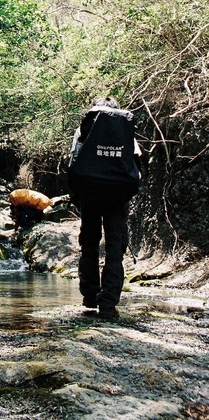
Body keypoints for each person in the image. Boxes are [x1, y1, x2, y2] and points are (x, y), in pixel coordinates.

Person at [68, 96, 141, 321]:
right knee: (114, 250)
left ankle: (90, 297)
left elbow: (73, 162)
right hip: (117, 198)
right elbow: (136, 164)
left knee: (89, 245)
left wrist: (77, 197)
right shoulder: (124, 130)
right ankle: (108, 305)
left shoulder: (86, 128)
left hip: (90, 195)